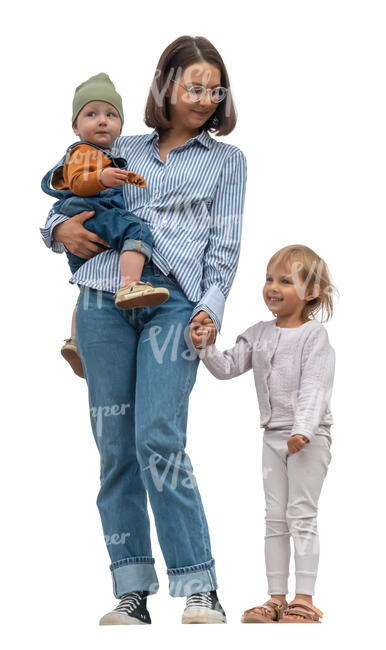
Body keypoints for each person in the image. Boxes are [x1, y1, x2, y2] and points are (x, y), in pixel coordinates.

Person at [39, 35, 247, 624]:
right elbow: (59, 199)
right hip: (103, 301)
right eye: (194, 86)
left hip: (173, 305)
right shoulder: (117, 143)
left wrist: (210, 306)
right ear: (166, 87)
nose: (205, 98)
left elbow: (224, 247)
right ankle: (131, 591)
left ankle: (198, 584)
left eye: (215, 88)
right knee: (115, 445)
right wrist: (58, 233)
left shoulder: (227, 162)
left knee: (158, 435)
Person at [196, 245, 337, 624]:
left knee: (301, 515)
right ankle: (276, 597)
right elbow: (227, 367)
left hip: (308, 439)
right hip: (272, 438)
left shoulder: (314, 336)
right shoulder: (258, 334)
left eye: (285, 281)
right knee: (274, 518)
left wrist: (303, 430)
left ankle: (304, 598)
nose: (273, 287)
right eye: (269, 279)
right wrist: (206, 346)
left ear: (311, 293)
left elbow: (315, 387)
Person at [41, 72, 169, 377]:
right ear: (76, 126)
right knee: (137, 231)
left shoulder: (110, 155)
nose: (102, 121)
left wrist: (131, 179)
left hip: (86, 229)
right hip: (90, 210)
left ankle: (74, 340)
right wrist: (101, 178)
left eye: (111, 115)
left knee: (90, 281)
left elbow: (118, 178)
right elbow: (79, 182)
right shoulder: (82, 152)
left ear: (121, 127)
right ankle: (129, 284)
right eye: (92, 114)